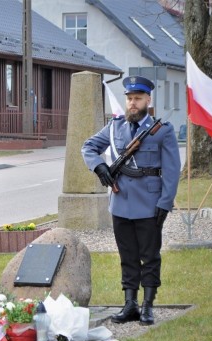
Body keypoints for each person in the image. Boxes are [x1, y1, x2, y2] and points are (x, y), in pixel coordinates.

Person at [81, 76, 181, 325]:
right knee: (127, 255)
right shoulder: (114, 127)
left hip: (150, 203)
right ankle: (130, 304)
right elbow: (88, 147)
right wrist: (99, 167)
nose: (132, 103)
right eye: (129, 99)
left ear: (148, 99)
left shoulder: (162, 130)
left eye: (137, 99)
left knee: (150, 256)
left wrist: (165, 203)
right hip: (121, 201)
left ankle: (147, 305)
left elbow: (171, 170)